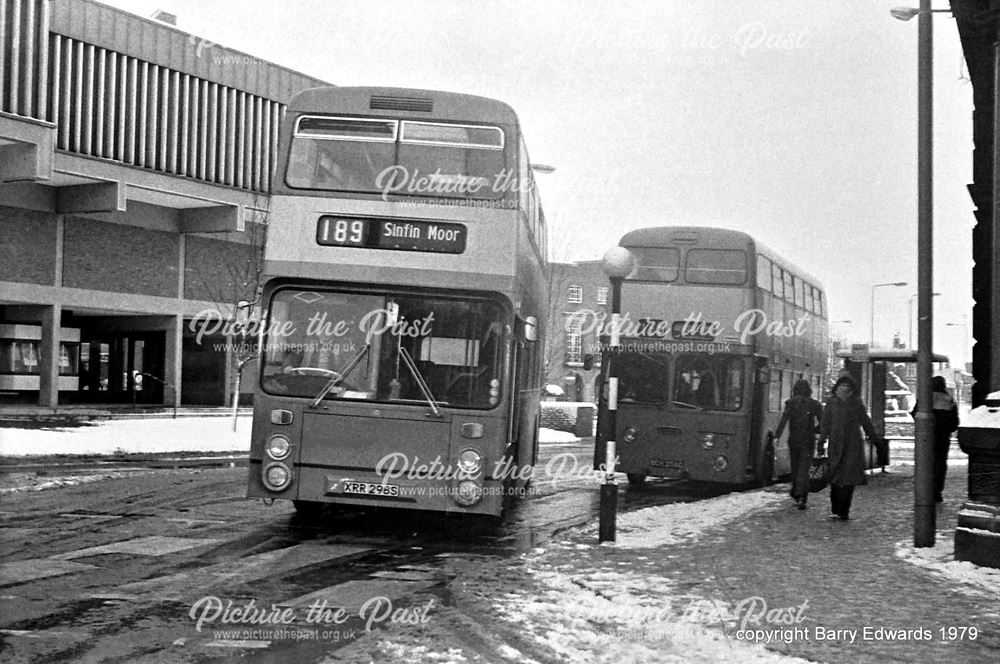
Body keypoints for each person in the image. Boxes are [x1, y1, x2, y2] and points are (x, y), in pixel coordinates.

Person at [819, 375, 877, 520]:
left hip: (836, 443)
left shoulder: (831, 402)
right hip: (853, 444)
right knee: (849, 479)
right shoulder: (856, 402)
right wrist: (873, 437)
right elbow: (865, 421)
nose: (844, 388)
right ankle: (844, 509)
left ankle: (836, 505)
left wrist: (821, 440)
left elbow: (825, 423)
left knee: (835, 475)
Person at [911, 375, 959, 504]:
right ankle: (937, 491)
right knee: (940, 464)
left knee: (924, 463)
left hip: (926, 437)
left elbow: (914, 414)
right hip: (943, 438)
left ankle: (924, 490)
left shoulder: (925, 399)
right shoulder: (949, 400)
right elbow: (954, 423)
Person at [775, 379, 823, 510]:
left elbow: (783, 421)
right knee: (804, 469)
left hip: (794, 440)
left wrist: (776, 437)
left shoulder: (791, 403)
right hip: (808, 440)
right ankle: (802, 496)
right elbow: (823, 422)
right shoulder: (815, 404)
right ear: (809, 390)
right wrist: (815, 431)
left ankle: (796, 492)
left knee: (795, 467)